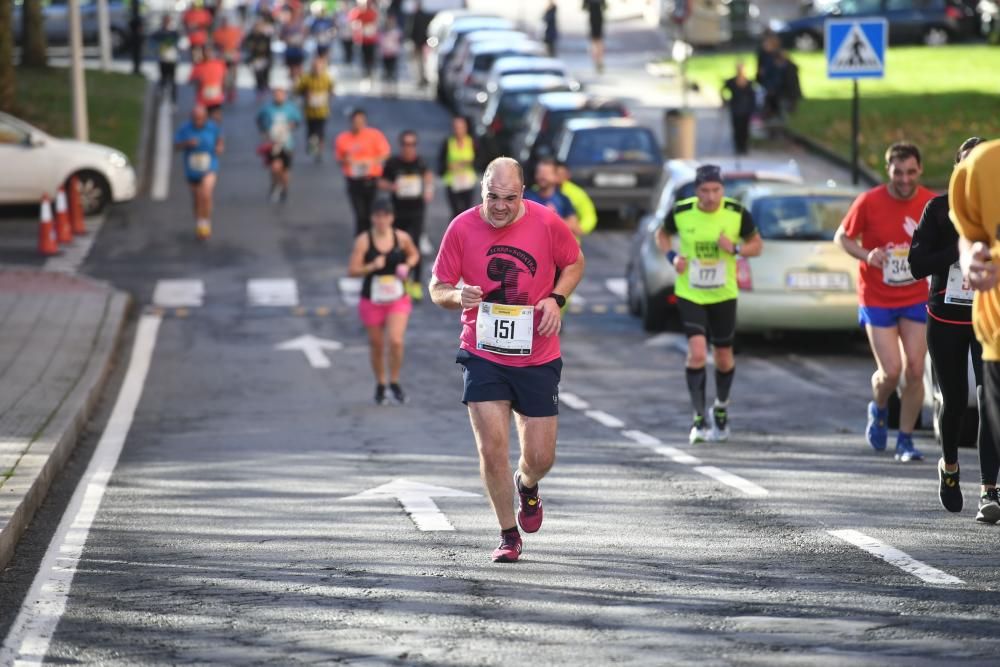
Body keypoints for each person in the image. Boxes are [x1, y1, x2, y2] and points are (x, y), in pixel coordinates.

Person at [429, 157, 585, 563]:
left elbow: (574, 262)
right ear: (482, 190)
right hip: (482, 354)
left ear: (523, 194)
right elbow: (437, 287)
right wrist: (455, 296)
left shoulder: (547, 222)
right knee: (492, 448)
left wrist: (556, 298)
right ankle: (507, 533)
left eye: (509, 198)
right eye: (492, 197)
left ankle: (527, 485)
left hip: (537, 354)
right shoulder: (461, 227)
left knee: (540, 458)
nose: (500, 206)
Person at [909, 137, 997, 519]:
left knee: (991, 401)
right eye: (966, 167)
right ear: (957, 169)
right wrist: (958, 251)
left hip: (987, 319)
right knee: (956, 401)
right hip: (945, 318)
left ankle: (990, 491)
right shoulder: (938, 209)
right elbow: (916, 263)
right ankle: (949, 467)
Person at [834, 142, 936, 462]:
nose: (904, 179)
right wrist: (868, 255)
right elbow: (842, 237)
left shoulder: (931, 204)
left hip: (916, 295)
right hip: (877, 295)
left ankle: (905, 440)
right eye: (897, 172)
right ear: (887, 170)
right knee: (891, 371)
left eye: (910, 172)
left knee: (916, 369)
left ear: (919, 170)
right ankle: (878, 407)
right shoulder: (870, 201)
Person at [655, 164, 763, 444]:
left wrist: (736, 249)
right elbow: (662, 235)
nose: (711, 196)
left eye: (716, 190)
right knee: (699, 353)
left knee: (724, 357)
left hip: (723, 294)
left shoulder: (736, 213)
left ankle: (722, 407)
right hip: (691, 291)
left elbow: (757, 245)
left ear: (723, 189)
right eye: (705, 190)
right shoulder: (682, 211)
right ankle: (699, 418)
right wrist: (673, 258)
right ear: (696, 190)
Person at [949, 139, 1000, 523]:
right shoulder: (983, 164)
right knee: (983, 407)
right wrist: (969, 259)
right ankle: (988, 489)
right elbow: (968, 234)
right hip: (994, 329)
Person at [348, 199, 421, 406]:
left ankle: (395, 381)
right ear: (372, 218)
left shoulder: (401, 238)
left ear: (391, 217)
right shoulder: (364, 240)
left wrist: (407, 264)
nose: (381, 220)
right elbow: (352, 270)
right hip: (372, 299)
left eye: (385, 216)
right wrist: (371, 266)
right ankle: (381, 383)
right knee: (377, 344)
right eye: (378, 216)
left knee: (396, 341)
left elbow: (414, 254)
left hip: (397, 298)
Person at [379, 130, 433, 301]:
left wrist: (428, 190)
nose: (408, 148)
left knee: (415, 245)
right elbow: (380, 182)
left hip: (416, 211)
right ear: (400, 145)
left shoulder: (421, 162)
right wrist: (391, 186)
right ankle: (401, 281)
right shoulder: (393, 163)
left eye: (412, 144)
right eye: (405, 144)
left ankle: (416, 282)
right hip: (398, 212)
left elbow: (428, 176)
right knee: (398, 247)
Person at [335, 108, 391, 235]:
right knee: (360, 214)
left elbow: (386, 153)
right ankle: (361, 241)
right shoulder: (343, 138)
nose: (358, 124)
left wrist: (371, 161)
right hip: (354, 180)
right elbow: (339, 159)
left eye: (361, 121)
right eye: (355, 121)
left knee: (372, 213)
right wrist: (346, 160)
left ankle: (373, 239)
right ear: (351, 122)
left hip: (371, 179)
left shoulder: (374, 135)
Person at [174, 105, 224, 240]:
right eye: (195, 119)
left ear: (205, 118)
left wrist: (219, 147)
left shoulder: (212, 127)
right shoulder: (185, 128)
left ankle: (205, 222)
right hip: (192, 168)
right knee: (196, 198)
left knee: (206, 194)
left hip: (209, 165)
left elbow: (220, 139)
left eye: (201, 119)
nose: (198, 122)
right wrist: (186, 143)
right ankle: (199, 221)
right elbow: (176, 145)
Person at [256, 87, 303, 203]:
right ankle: (275, 185)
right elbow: (259, 119)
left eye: (281, 94)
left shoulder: (290, 108)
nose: (278, 97)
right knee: (275, 167)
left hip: (287, 143)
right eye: (276, 95)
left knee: (285, 171)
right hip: (273, 143)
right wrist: (264, 131)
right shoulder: (267, 108)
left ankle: (284, 189)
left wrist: (291, 125)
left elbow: (298, 120)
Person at [524, 158, 579, 236]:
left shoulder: (563, 199)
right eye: (539, 173)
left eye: (546, 173)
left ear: (556, 177)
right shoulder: (526, 197)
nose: (542, 176)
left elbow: (575, 228)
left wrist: (555, 218)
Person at [295, 57, 335, 162]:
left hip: (322, 111)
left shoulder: (327, 78)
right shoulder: (306, 78)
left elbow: (332, 90)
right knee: (311, 132)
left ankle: (319, 151)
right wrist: (305, 94)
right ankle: (312, 146)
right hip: (310, 112)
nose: (317, 69)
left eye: (319, 67)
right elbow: (297, 90)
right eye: (315, 67)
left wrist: (327, 96)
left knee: (320, 132)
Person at [438, 115, 478, 217]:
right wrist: (448, 166)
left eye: (461, 127)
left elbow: (480, 160)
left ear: (466, 128)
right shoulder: (448, 142)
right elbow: (440, 163)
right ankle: (454, 231)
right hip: (452, 181)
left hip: (468, 182)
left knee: (467, 212)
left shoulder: (472, 142)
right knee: (455, 211)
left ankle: (466, 232)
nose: (458, 130)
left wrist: (469, 162)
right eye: (456, 127)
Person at [721, 62, 757, 156]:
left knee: (745, 129)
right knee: (737, 128)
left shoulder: (749, 82)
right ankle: (738, 147)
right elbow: (722, 90)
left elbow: (752, 96)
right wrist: (724, 100)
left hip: (746, 109)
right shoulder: (731, 81)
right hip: (735, 108)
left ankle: (744, 147)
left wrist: (753, 107)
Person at [556, 161, 597, 239]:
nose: (559, 177)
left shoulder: (577, 193)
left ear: (568, 175)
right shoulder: (537, 191)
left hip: (570, 241)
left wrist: (581, 228)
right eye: (557, 174)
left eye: (562, 174)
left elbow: (589, 215)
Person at [189, 46, 228, 121]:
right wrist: (198, 80)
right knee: (200, 120)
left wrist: (223, 89)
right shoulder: (199, 66)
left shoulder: (220, 64)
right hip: (202, 100)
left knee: (216, 119)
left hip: (216, 98)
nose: (209, 54)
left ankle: (215, 131)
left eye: (210, 52)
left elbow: (224, 78)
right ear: (203, 53)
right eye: (206, 52)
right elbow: (191, 80)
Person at [149, 15, 181, 105]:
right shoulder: (159, 33)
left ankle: (173, 101)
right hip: (163, 59)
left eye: (168, 21)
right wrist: (157, 49)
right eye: (165, 21)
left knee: (173, 81)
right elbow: (152, 44)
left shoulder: (174, 33)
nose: (167, 23)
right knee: (163, 79)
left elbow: (180, 43)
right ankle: (161, 98)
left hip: (172, 59)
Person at [212, 15, 243, 103]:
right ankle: (224, 91)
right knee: (222, 74)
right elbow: (215, 44)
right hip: (223, 56)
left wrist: (235, 48)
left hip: (232, 55)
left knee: (232, 74)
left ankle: (231, 91)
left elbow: (239, 41)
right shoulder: (218, 32)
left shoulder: (234, 31)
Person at [350, 0, 380, 88]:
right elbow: (353, 23)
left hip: (371, 40)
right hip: (361, 40)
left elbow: (375, 24)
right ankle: (364, 76)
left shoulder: (372, 12)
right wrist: (359, 26)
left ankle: (370, 75)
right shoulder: (356, 12)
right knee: (362, 59)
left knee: (370, 59)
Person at [243, 20, 273, 101]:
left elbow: (268, 49)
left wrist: (269, 60)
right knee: (257, 75)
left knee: (264, 74)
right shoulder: (250, 37)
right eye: (256, 27)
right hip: (254, 59)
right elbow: (245, 45)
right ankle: (259, 89)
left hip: (263, 58)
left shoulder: (265, 37)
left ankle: (264, 87)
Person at [407, 0, 433, 88]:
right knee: (421, 62)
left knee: (419, 62)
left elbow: (412, 30)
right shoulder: (423, 16)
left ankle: (421, 79)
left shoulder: (416, 16)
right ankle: (422, 78)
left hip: (418, 43)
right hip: (422, 42)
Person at [380, 13, 403, 96]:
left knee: (393, 73)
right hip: (385, 54)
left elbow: (399, 42)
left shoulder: (397, 31)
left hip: (393, 54)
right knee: (386, 73)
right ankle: (386, 90)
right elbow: (381, 42)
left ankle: (393, 91)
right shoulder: (383, 31)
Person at [583, 0, 606, 73]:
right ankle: (598, 60)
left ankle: (597, 60)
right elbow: (604, 6)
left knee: (595, 41)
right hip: (598, 17)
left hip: (593, 17)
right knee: (598, 41)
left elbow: (584, 7)